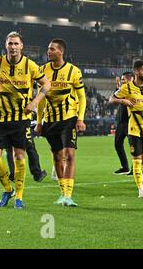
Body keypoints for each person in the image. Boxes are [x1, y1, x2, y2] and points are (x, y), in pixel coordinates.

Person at [0, 31, 51, 209]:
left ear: (22, 46)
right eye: (10, 44)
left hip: (21, 119)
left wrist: (35, 102)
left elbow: (47, 84)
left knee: (19, 155)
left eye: (16, 44)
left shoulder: (30, 65)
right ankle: (7, 189)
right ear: (6, 46)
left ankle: (19, 196)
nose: (13, 47)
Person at [35, 38, 86, 207]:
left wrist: (80, 118)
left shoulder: (74, 71)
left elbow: (81, 97)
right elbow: (41, 99)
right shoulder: (42, 71)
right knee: (57, 156)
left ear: (61, 52)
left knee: (69, 155)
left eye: (52, 49)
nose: (48, 52)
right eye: (48, 49)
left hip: (69, 118)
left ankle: (68, 195)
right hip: (50, 120)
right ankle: (62, 193)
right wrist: (39, 121)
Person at [109, 60, 143, 198]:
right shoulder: (127, 88)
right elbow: (111, 99)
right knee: (136, 159)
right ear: (136, 72)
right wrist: (123, 101)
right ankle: (140, 189)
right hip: (134, 129)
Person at [7, 114, 47, 182]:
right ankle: (37, 173)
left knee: (10, 149)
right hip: (23, 123)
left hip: (8, 123)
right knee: (30, 148)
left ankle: (13, 174)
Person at [113, 72, 133, 176]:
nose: (122, 81)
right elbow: (115, 98)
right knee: (117, 144)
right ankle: (125, 167)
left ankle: (135, 168)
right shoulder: (123, 89)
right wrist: (118, 87)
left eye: (123, 79)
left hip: (130, 121)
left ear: (130, 79)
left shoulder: (132, 89)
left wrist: (119, 87)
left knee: (133, 146)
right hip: (121, 122)